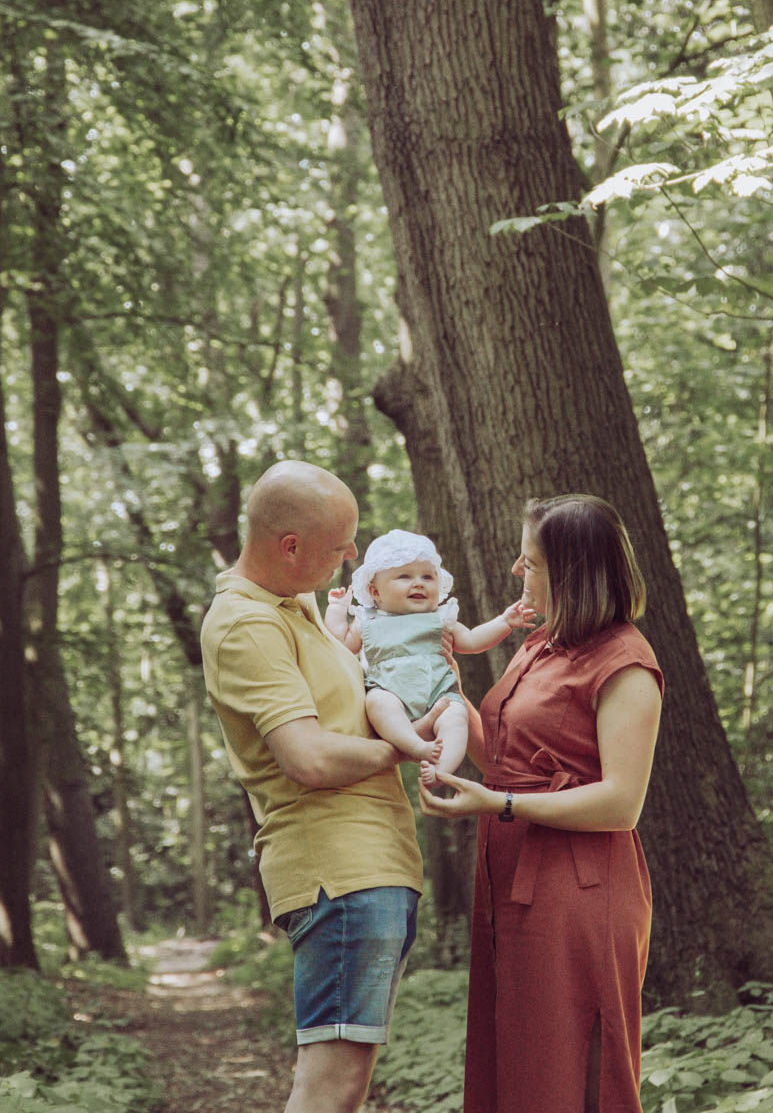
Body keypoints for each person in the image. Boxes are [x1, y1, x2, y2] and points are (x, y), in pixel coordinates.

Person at [419, 494, 664, 1113]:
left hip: (578, 893)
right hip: (512, 878)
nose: (515, 571)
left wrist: (498, 804)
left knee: (570, 1060)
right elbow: (506, 758)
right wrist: (440, 685)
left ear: (571, 573)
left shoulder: (626, 665)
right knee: (518, 1056)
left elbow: (621, 803)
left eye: (529, 562)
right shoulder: (542, 644)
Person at [201, 461, 433, 1113]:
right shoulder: (248, 623)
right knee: (329, 1088)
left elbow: (339, 699)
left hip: (372, 866)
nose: (353, 555)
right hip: (338, 871)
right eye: (339, 545)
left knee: (345, 1085)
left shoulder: (295, 603)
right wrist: (404, 748)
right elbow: (306, 756)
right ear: (289, 547)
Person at [324, 529, 534, 785]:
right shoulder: (367, 620)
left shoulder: (441, 618)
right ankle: (415, 745)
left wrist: (504, 622)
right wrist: (336, 609)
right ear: (375, 591)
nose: (418, 583)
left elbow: (473, 640)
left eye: (427, 576)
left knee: (456, 717)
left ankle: (442, 769)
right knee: (377, 703)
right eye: (404, 576)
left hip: (438, 691)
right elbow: (341, 644)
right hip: (390, 690)